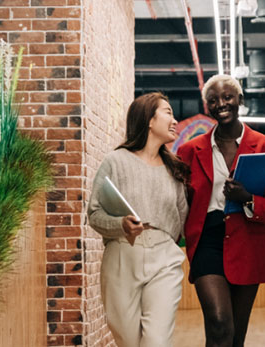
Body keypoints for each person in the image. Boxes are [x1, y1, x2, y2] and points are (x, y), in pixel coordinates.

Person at [177, 74, 265, 347]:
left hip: (249, 239)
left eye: (227, 97)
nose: (221, 104)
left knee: (236, 335)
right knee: (219, 322)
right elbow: (180, 201)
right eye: (213, 100)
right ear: (206, 106)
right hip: (207, 241)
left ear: (240, 100)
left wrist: (248, 198)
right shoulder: (189, 151)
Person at [88, 92, 189, 347]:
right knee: (129, 341)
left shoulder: (173, 168)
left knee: (156, 341)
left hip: (165, 259)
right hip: (122, 256)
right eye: (167, 112)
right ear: (149, 120)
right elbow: (94, 213)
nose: (174, 120)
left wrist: (164, 239)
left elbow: (181, 216)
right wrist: (120, 225)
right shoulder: (115, 161)